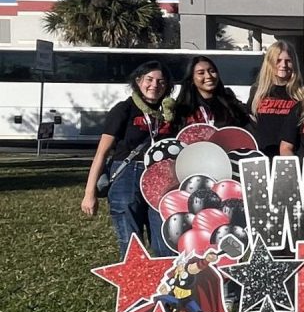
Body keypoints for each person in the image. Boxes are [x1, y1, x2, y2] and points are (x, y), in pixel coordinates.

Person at [82, 61, 178, 258]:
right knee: (131, 244)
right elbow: (102, 153)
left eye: (161, 81)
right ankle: (136, 286)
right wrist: (89, 192)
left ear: (167, 86)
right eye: (149, 80)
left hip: (161, 177)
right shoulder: (124, 109)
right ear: (138, 81)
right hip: (127, 175)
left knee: (164, 240)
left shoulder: (169, 113)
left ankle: (165, 287)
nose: (154, 85)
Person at [248, 41, 303, 158]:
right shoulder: (257, 90)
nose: (283, 65)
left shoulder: (302, 93)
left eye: (288, 61)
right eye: (278, 60)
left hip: (291, 155)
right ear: (269, 63)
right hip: (263, 154)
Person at [175, 55, 252, 128]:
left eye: (212, 71)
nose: (208, 76)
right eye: (201, 73)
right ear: (191, 79)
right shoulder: (183, 109)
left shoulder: (231, 104)